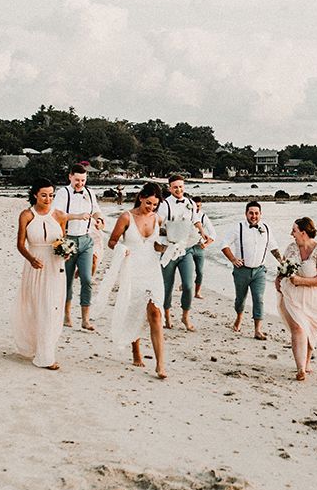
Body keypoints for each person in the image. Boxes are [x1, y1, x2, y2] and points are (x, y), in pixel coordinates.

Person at [12, 178, 90, 370]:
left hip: (55, 267)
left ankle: (46, 355)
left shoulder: (59, 215)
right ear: (35, 195)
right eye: (44, 195)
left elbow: (61, 241)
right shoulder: (26, 215)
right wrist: (30, 258)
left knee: (51, 307)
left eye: (51, 195)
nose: (48, 199)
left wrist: (66, 252)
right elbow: (20, 244)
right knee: (35, 307)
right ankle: (34, 345)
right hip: (35, 264)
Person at [101, 182, 167, 379]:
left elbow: (157, 246)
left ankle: (160, 364)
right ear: (140, 198)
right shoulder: (126, 217)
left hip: (152, 269)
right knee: (134, 310)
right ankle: (135, 349)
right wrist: (122, 249)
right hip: (132, 268)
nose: (151, 208)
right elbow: (112, 242)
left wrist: (165, 248)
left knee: (156, 313)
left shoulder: (158, 219)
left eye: (155, 205)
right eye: (148, 203)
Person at [275, 217, 317, 381]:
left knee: (310, 331)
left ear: (303, 232)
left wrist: (301, 281)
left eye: (294, 230)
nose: (291, 234)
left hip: (314, 298)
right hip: (292, 295)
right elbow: (283, 267)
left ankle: (306, 363)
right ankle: (300, 369)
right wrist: (278, 278)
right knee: (298, 328)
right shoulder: (291, 248)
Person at [52, 162, 105, 331]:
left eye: (83, 180)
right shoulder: (63, 193)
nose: (80, 183)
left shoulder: (90, 193)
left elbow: (96, 210)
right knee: (66, 281)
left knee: (87, 279)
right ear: (70, 177)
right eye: (77, 180)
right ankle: (66, 314)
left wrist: (100, 220)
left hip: (87, 240)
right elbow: (57, 215)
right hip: (68, 240)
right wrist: (77, 216)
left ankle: (85, 319)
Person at [220, 201, 281, 340]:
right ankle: (239, 316)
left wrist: (282, 262)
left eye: (256, 213)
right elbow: (224, 244)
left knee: (258, 299)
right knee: (240, 300)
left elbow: (273, 247)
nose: (254, 216)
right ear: (246, 214)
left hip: (259, 271)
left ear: (260, 214)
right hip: (242, 271)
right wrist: (233, 259)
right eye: (251, 213)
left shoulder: (266, 228)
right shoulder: (238, 228)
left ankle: (257, 330)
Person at [158, 175, 210, 331]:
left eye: (181, 186)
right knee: (167, 286)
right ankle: (167, 317)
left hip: (185, 249)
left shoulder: (190, 203)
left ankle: (185, 316)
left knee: (188, 286)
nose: (178, 189)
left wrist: (202, 232)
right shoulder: (164, 205)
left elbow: (195, 220)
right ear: (169, 188)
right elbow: (158, 224)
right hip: (169, 250)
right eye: (175, 187)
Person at [189, 196, 216, 299]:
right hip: (187, 247)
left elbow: (213, 233)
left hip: (199, 247)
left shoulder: (203, 216)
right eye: (195, 206)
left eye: (199, 206)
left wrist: (206, 244)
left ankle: (197, 292)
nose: (197, 208)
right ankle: (186, 283)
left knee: (200, 272)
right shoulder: (186, 215)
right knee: (188, 269)